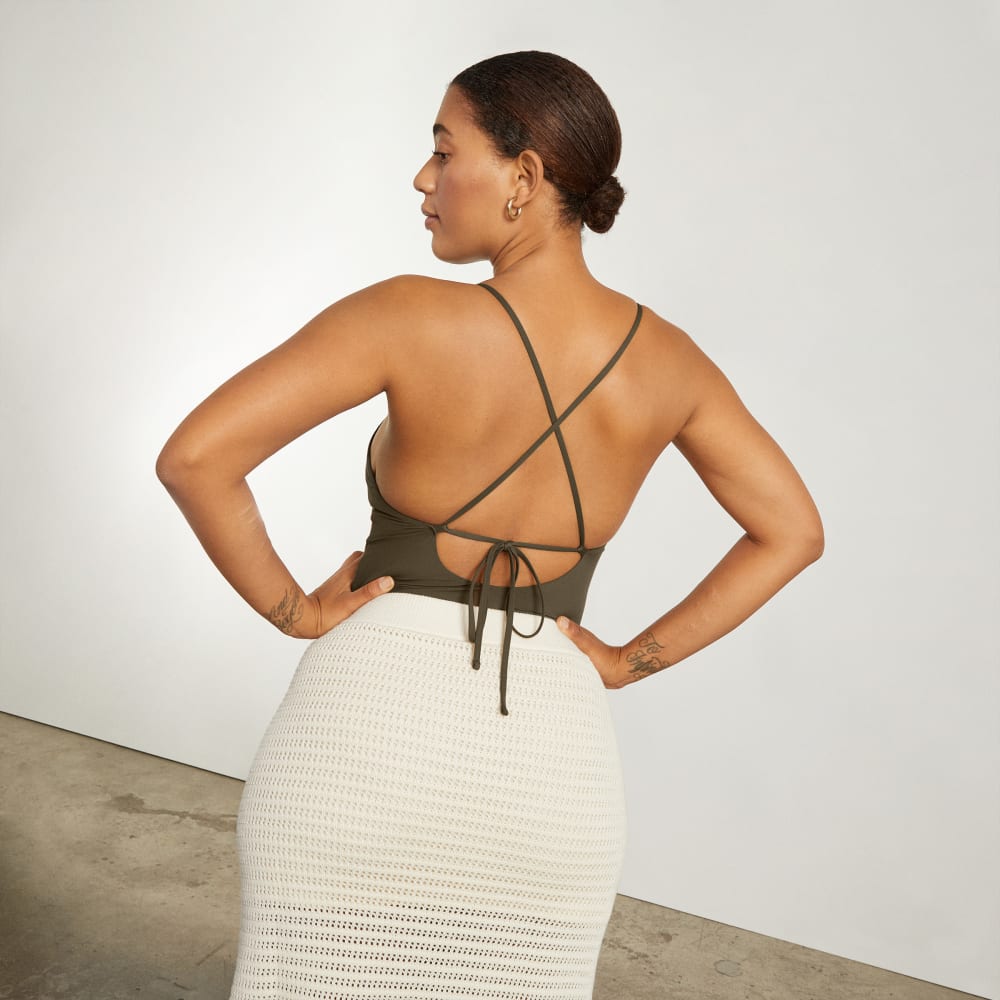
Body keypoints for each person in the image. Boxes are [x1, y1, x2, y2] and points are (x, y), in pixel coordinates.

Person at [157, 50, 823, 1000]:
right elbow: (793, 531)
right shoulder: (671, 362)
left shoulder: (404, 315)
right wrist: (624, 660)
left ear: (525, 175)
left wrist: (297, 613)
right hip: (550, 782)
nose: (422, 179)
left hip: (358, 754)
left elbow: (195, 458)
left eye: (443, 150)